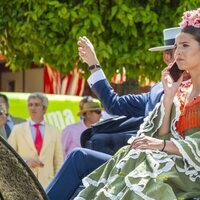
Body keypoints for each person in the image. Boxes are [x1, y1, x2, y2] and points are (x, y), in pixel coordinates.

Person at [73, 8, 200, 199]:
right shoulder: (176, 90)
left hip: (189, 172)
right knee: (127, 166)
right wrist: (168, 96)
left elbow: (166, 142)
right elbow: (116, 105)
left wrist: (161, 145)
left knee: (145, 181)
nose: (177, 53)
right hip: (165, 161)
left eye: (184, 46)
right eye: (175, 47)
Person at [46, 27, 183, 199]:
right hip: (137, 162)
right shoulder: (156, 91)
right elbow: (114, 104)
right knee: (78, 158)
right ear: (166, 57)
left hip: (168, 170)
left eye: (187, 48)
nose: (182, 55)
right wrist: (93, 64)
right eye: (178, 50)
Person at [8, 92, 63, 188]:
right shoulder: (17, 129)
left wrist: (58, 184)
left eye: (37, 105)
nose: (33, 108)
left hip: (47, 184)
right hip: (24, 182)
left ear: (44, 108)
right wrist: (25, 163)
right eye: (30, 105)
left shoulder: (54, 130)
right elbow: (8, 156)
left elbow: (59, 161)